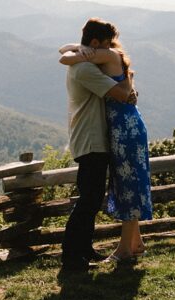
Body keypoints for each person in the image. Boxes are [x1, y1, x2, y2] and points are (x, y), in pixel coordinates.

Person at [59, 20, 152, 263]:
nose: (110, 47)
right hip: (93, 139)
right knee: (90, 199)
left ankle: (88, 249)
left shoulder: (94, 60)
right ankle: (72, 254)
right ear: (94, 43)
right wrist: (128, 89)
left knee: (96, 196)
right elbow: (122, 95)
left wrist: (74, 50)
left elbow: (65, 55)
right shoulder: (86, 68)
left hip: (104, 135)